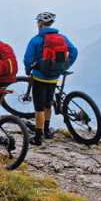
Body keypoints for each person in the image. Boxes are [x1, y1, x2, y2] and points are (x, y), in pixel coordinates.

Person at [23, 12, 77, 145]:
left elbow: (27, 59)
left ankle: (37, 137)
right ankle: (47, 131)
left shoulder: (36, 40)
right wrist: (64, 66)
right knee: (48, 104)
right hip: (54, 77)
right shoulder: (62, 38)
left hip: (40, 77)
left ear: (40, 24)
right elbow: (74, 51)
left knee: (39, 108)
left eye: (37, 22)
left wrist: (28, 70)